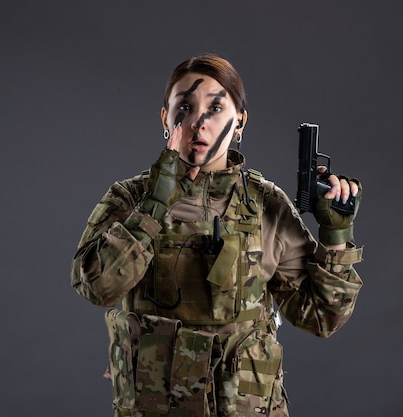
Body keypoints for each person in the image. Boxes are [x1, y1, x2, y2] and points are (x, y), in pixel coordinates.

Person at [70, 54, 363, 417]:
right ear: (166, 117)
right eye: (185, 107)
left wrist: (335, 235)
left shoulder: (266, 204)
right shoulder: (131, 199)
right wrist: (155, 206)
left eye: (216, 107)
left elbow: (322, 317)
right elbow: (95, 287)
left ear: (239, 121)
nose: (199, 123)